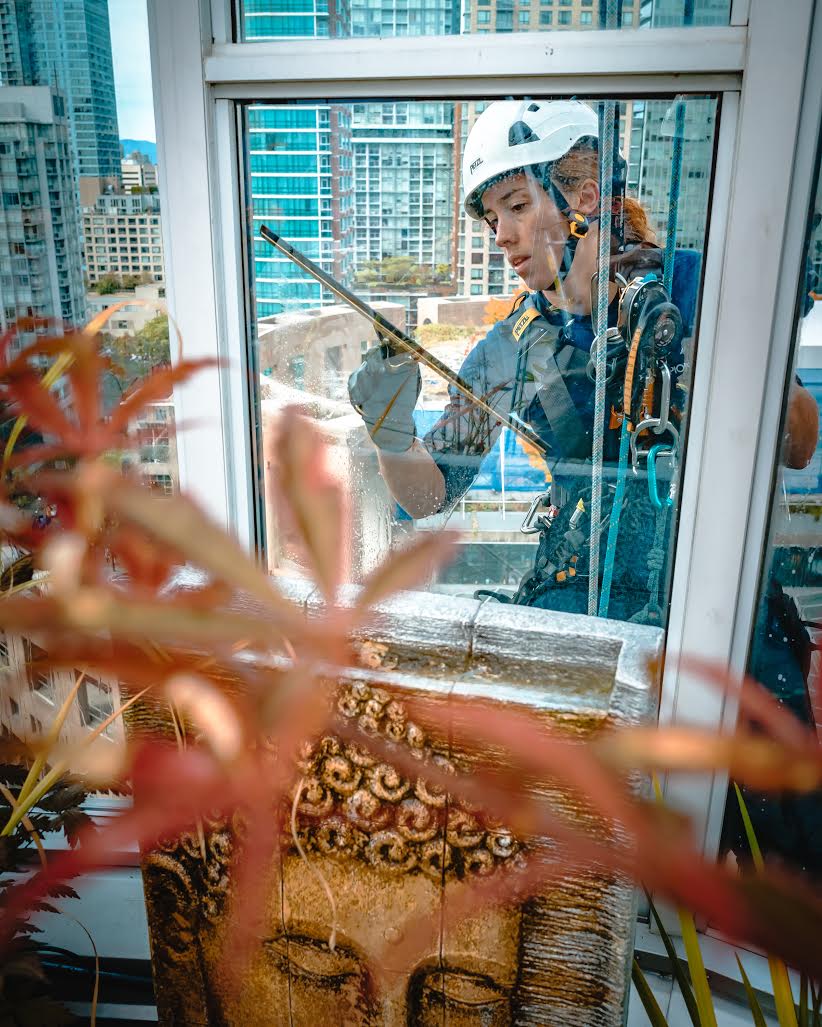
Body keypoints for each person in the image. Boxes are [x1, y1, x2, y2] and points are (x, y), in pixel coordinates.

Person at [349, 99, 689, 623]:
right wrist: (390, 434)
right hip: (579, 594)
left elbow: (799, 442)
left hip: (702, 587)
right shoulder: (507, 350)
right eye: (492, 219)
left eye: (518, 206)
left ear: (585, 199)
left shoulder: (690, 287)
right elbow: (431, 494)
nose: (502, 235)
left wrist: (697, 373)